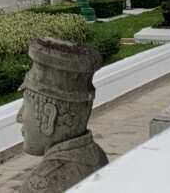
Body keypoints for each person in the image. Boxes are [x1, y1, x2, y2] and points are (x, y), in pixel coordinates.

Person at [16, 37, 108, 192]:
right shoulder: (97, 156)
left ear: (47, 117)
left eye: (25, 106)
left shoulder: (43, 183)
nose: (19, 117)